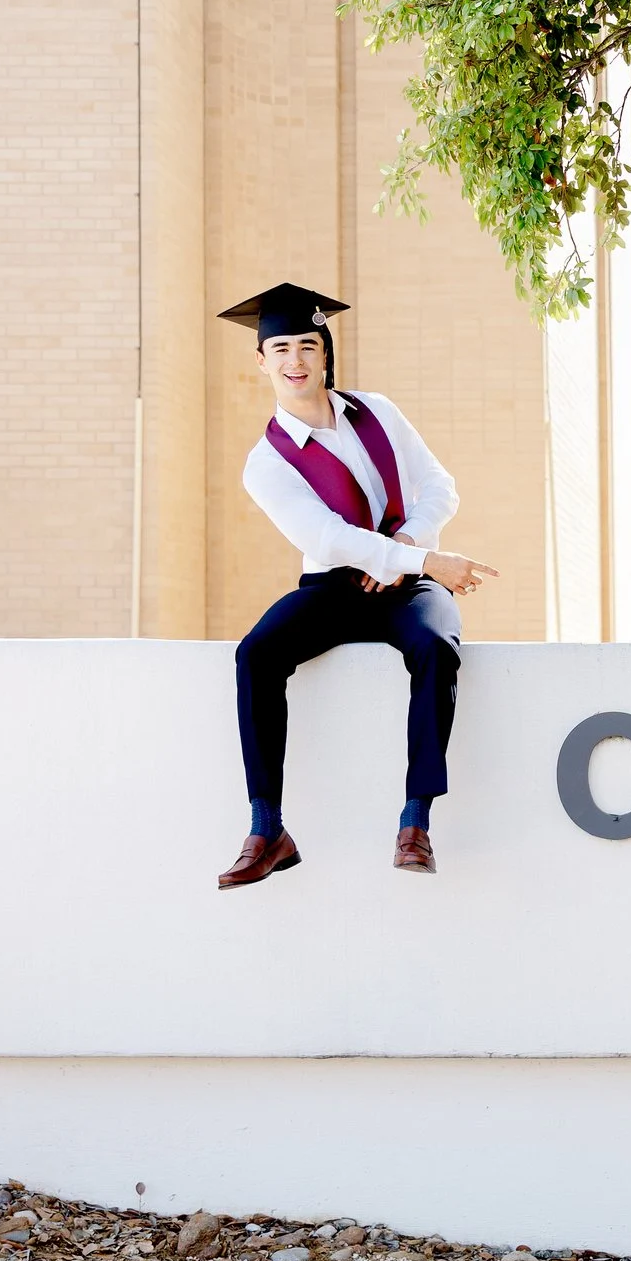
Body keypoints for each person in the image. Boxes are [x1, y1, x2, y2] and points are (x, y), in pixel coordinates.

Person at [214, 282, 499, 890]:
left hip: (404, 582)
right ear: (261, 359)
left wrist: (407, 558)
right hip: (333, 587)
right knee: (257, 654)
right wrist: (423, 561)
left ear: (325, 353)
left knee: (435, 647)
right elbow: (327, 535)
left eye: (308, 346)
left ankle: (416, 820)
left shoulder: (378, 413)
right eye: (282, 348)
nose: (295, 361)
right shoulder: (267, 462)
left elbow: (439, 486)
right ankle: (267, 828)